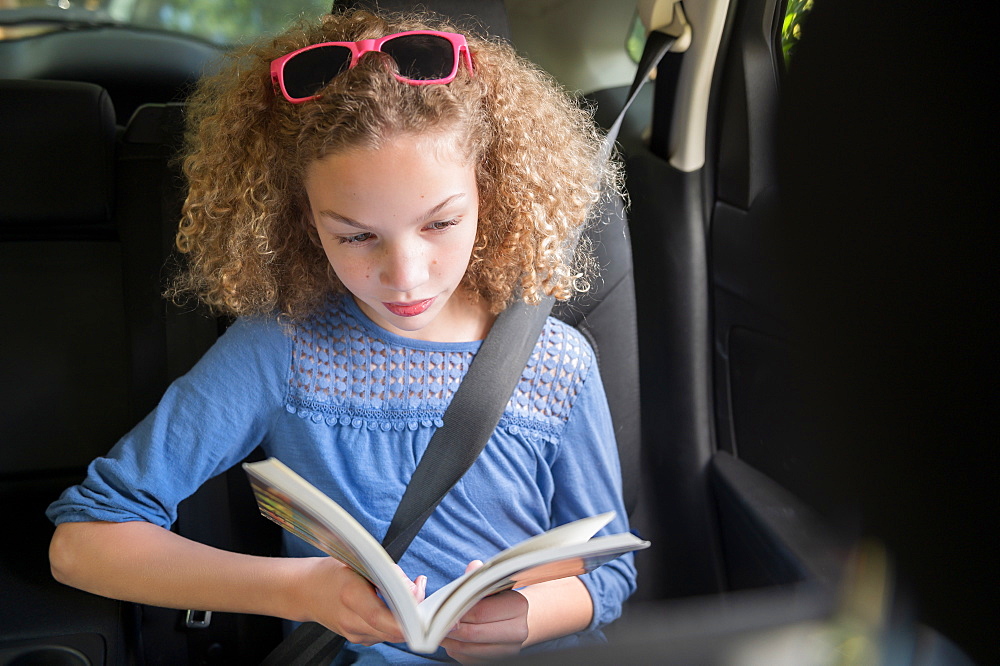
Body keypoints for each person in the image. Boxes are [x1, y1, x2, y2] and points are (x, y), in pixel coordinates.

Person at [46, 7, 637, 665]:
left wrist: (525, 620)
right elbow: (82, 543)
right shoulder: (283, 349)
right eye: (356, 236)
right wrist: (302, 590)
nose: (405, 276)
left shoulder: (556, 362)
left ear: (490, 192)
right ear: (300, 220)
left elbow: (610, 573)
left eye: (440, 224)